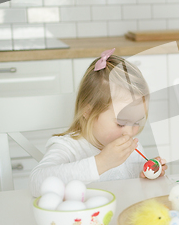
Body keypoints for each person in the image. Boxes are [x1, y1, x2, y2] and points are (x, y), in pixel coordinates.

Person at [30, 49, 167, 197]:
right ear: (88, 112)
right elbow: (37, 183)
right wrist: (101, 163)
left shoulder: (133, 148)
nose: (129, 132)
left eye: (136, 122)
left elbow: (135, 192)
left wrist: (149, 177)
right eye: (121, 123)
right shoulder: (69, 147)